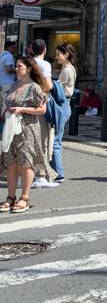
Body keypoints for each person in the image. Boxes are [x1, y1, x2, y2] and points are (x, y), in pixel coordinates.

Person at [0, 56, 51, 212]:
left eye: (19, 66)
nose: (16, 69)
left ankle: (25, 197)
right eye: (16, 66)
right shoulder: (15, 85)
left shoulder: (34, 87)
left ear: (29, 69)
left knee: (26, 162)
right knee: (11, 163)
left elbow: (42, 110)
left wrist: (22, 109)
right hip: (10, 130)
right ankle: (10, 197)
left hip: (27, 129)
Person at [27, 39, 56, 189]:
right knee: (43, 142)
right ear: (44, 50)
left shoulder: (27, 62)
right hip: (41, 105)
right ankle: (40, 176)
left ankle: (26, 175)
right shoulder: (45, 65)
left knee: (28, 141)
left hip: (27, 106)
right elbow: (49, 85)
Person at [49, 44, 77, 183]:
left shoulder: (67, 70)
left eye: (58, 54)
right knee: (55, 139)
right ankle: (54, 171)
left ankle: (58, 173)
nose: (56, 57)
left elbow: (57, 88)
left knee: (55, 141)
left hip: (63, 104)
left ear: (66, 55)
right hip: (64, 104)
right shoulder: (67, 69)